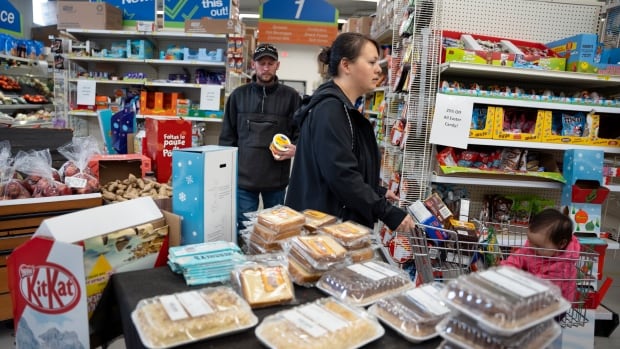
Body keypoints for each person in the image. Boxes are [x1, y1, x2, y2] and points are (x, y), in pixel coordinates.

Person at [285, 32, 415, 233]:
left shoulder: (342, 109)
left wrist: (377, 191)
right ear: (346, 66)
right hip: (324, 231)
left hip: (329, 223)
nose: (378, 69)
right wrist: (388, 212)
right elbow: (341, 176)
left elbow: (340, 167)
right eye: (371, 62)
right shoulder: (331, 111)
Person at [219, 43, 301, 233]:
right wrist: (224, 174)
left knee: (276, 232)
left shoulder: (291, 97)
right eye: (261, 63)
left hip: (277, 180)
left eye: (270, 63)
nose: (266, 67)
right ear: (253, 65)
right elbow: (227, 138)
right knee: (244, 229)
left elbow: (301, 132)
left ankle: (271, 263)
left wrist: (296, 148)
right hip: (244, 180)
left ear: (277, 65)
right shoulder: (238, 96)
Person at [501, 208, 581, 302]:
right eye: (530, 241)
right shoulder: (532, 247)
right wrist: (507, 269)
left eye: (538, 246)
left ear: (561, 244)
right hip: (533, 295)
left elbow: (549, 287)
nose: (532, 247)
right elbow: (518, 257)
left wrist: (523, 280)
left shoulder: (563, 264)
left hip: (556, 303)